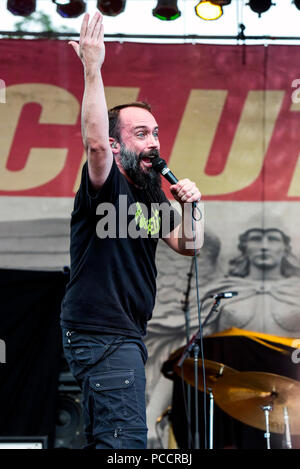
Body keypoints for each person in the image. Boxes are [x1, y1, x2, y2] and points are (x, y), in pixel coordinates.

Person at [60, 12, 204, 450]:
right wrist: (92, 68)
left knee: (109, 440)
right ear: (120, 145)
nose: (154, 142)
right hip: (101, 331)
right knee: (125, 446)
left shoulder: (151, 195)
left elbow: (188, 246)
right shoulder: (107, 183)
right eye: (141, 134)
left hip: (124, 334)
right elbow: (96, 142)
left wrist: (196, 208)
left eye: (156, 133)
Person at [201, 226, 300, 336]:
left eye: (273, 239)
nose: (264, 246)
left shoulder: (296, 289)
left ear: (285, 249)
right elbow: (202, 338)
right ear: (244, 248)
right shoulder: (223, 289)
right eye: (256, 239)